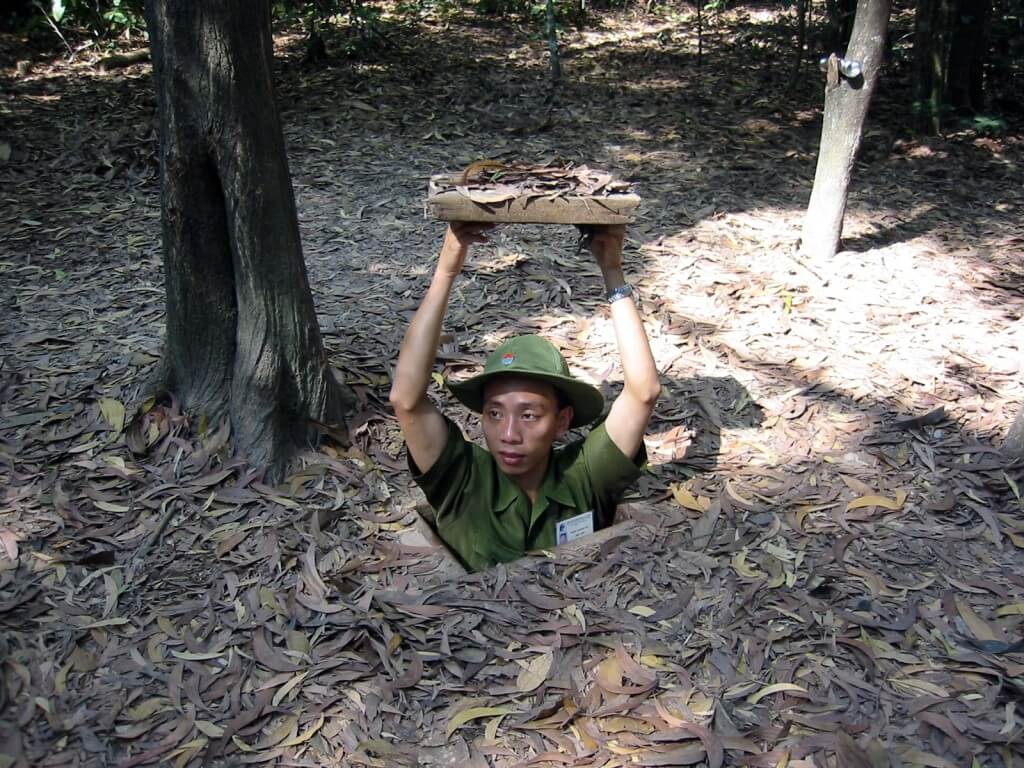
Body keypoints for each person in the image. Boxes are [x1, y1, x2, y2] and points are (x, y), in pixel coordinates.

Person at [389, 222, 660, 571]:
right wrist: (445, 271)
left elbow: (643, 392)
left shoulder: (585, 475)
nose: (508, 434)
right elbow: (406, 399)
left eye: (529, 415)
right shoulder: (462, 478)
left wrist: (613, 273)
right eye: (495, 413)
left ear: (562, 421)